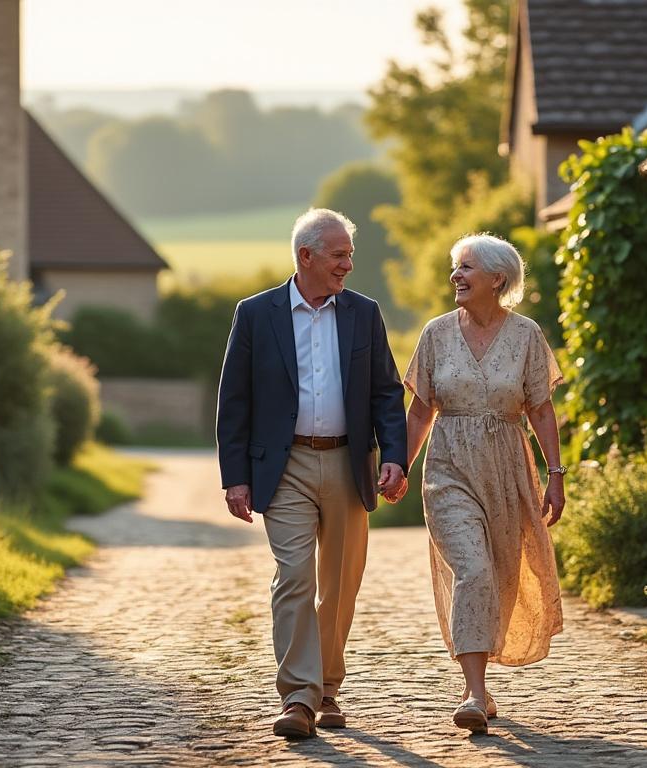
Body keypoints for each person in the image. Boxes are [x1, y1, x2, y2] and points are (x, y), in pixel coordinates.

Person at [215, 208, 408, 739]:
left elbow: (387, 391)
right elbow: (234, 400)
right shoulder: (256, 314)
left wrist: (395, 454)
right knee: (295, 576)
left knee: (341, 583)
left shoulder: (364, 313)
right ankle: (298, 697)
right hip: (286, 465)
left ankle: (327, 687)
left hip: (350, 462)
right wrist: (235, 475)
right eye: (339, 255)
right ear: (307, 257)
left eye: (349, 254)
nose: (349, 264)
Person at [397, 233, 567, 735]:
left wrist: (555, 476)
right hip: (448, 466)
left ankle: (483, 687)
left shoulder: (527, 335)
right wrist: (398, 468)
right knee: (472, 569)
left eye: (466, 267)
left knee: (500, 575)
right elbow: (421, 410)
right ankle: (473, 692)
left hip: (507, 469)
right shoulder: (435, 334)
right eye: (455, 267)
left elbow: (540, 407)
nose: (456, 276)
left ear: (498, 278)